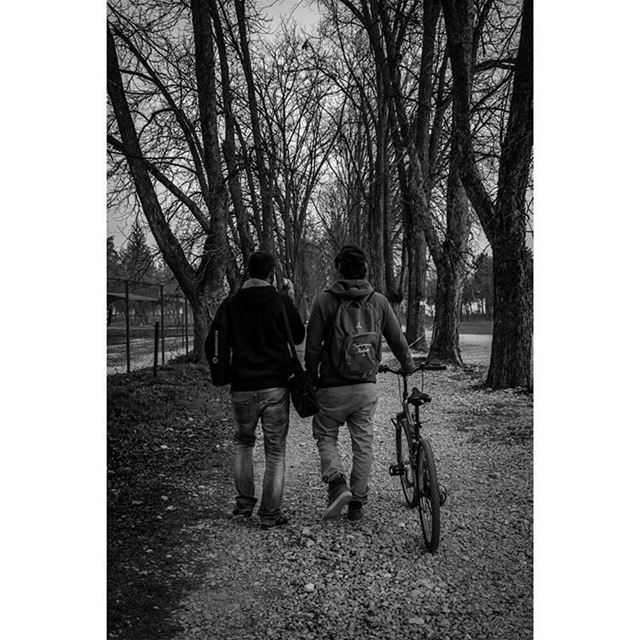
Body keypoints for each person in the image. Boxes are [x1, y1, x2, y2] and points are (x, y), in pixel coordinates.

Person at [305, 245, 414, 522]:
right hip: (366, 386)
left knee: (326, 435)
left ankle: (336, 484)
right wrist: (408, 364)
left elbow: (314, 347)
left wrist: (313, 377)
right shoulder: (378, 301)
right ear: (365, 270)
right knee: (363, 443)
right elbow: (396, 339)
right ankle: (357, 502)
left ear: (338, 270)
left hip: (331, 387)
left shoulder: (323, 301)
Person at [211, 250, 305, 530]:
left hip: (241, 388)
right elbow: (298, 335)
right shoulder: (280, 301)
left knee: (242, 443)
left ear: (248, 272)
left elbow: (214, 340)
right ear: (271, 273)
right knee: (275, 451)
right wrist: (289, 297)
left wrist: (224, 373)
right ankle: (270, 514)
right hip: (275, 387)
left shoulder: (231, 303)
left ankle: (243, 505)